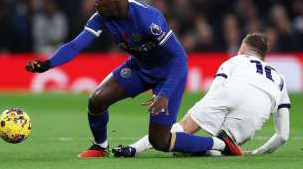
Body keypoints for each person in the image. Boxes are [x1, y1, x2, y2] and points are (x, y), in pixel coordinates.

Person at [26, 0, 236, 158]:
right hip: (139, 67)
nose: (95, 3)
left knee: (160, 141)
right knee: (96, 100)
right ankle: (100, 146)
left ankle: (220, 144)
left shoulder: (148, 19)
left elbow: (180, 58)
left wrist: (165, 93)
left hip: (167, 74)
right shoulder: (101, 18)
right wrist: (47, 64)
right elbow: (76, 44)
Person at [113, 33, 291, 157]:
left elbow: (216, 91)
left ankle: (133, 149)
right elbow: (283, 135)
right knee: (220, 147)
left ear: (243, 48)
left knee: (180, 129)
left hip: (230, 93)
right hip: (256, 112)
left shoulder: (237, 60)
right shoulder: (280, 78)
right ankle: (223, 146)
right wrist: (257, 152)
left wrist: (202, 113)